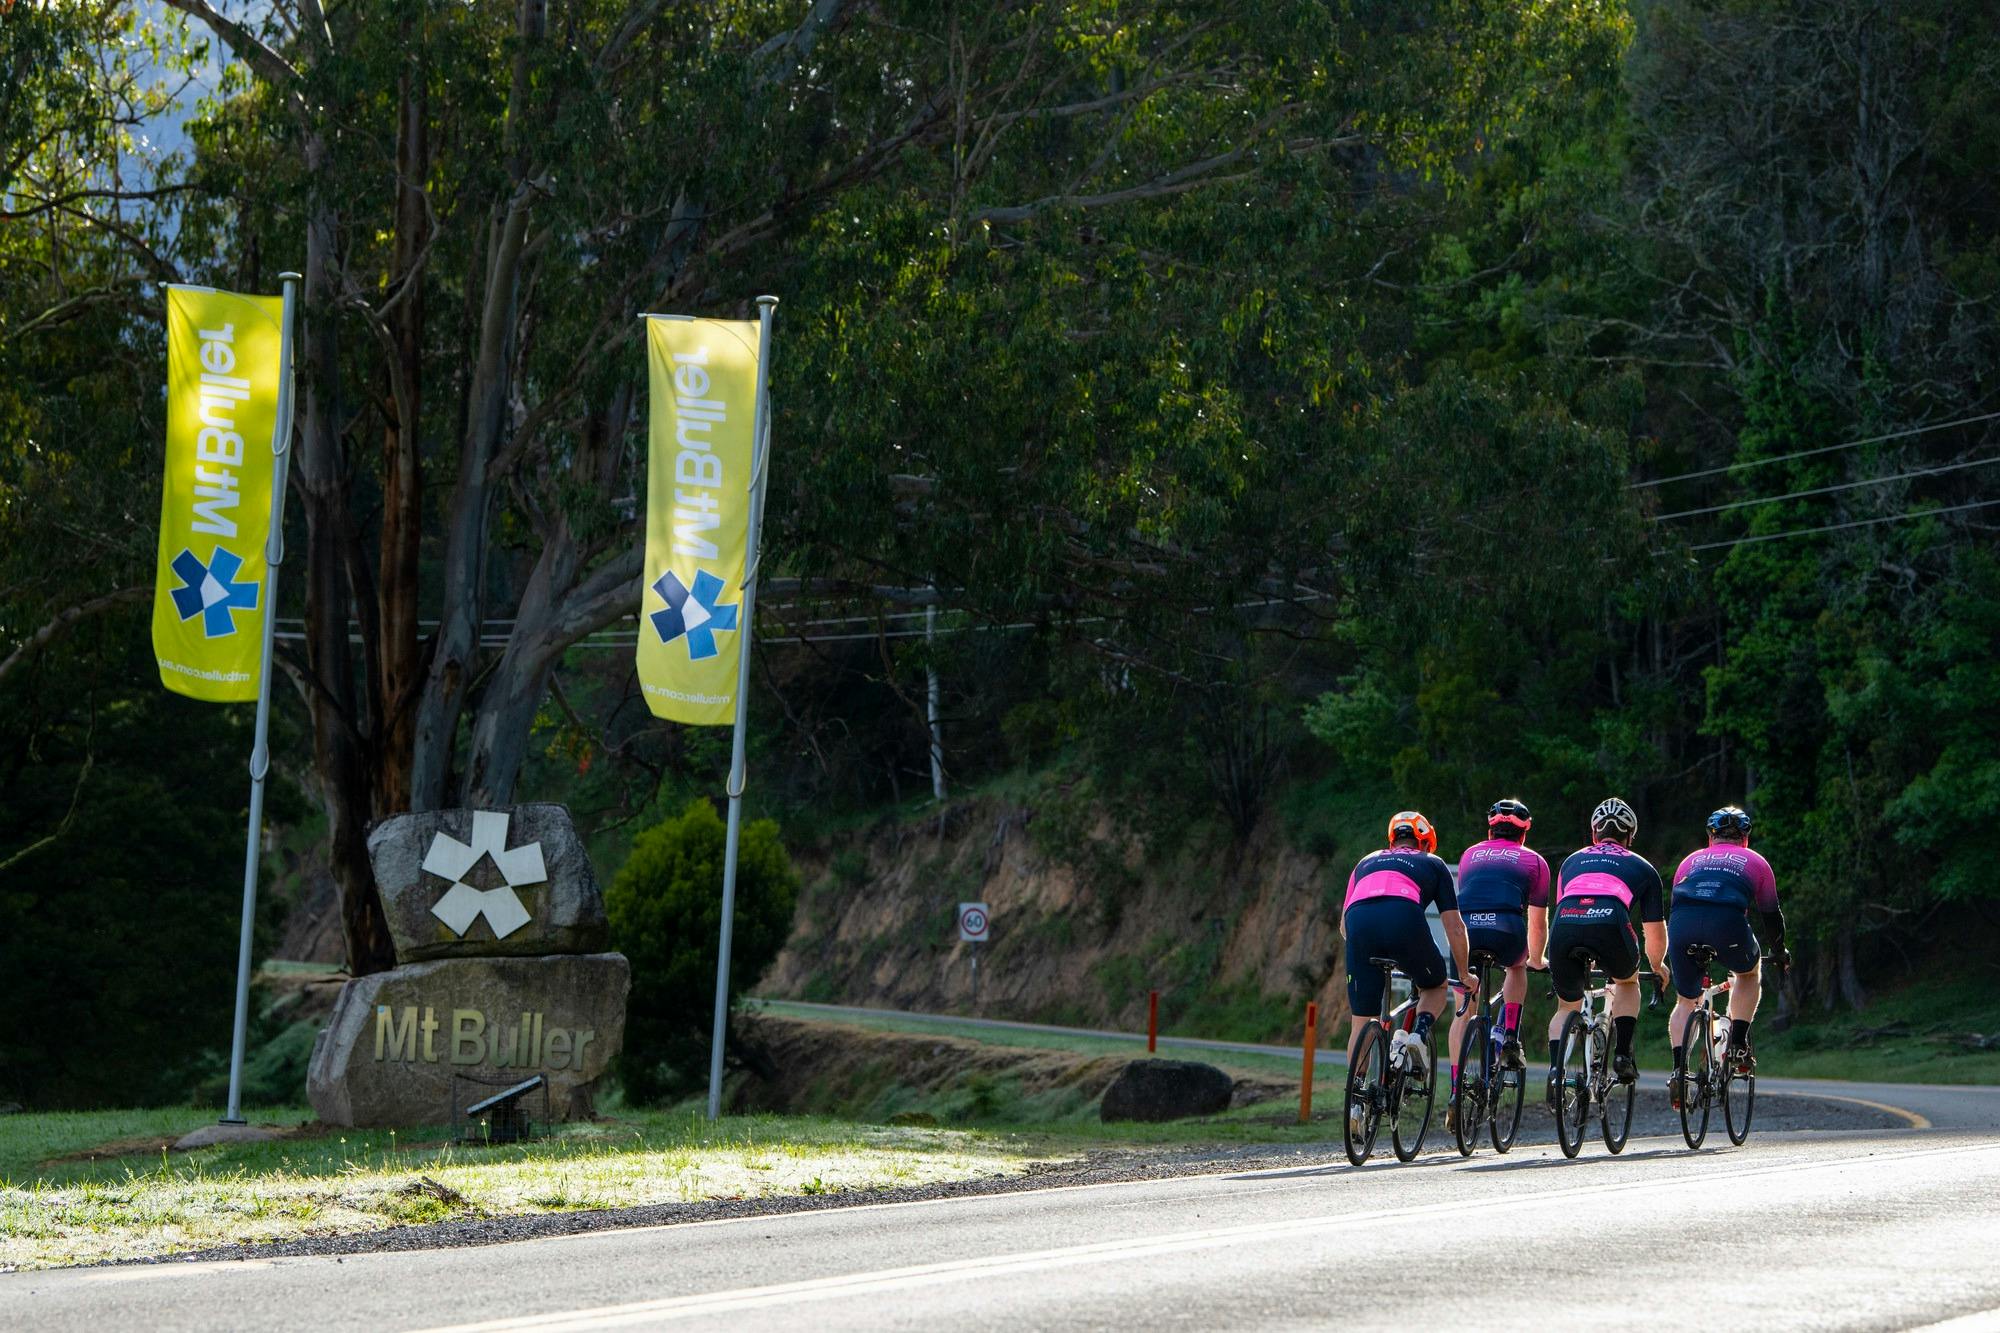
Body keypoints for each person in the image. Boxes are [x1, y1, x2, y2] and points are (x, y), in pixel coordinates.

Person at [1534, 796, 1667, 1096]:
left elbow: (1565, 905)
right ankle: (1621, 1054)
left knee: (1566, 1006)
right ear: (1630, 836)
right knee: (1627, 982)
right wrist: (1658, 967)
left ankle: (1556, 1071)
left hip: (1565, 922)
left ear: (1594, 834)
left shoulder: (1570, 862)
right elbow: (1655, 933)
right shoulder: (1643, 868)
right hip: (1610, 921)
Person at [1341, 810, 1474, 1092]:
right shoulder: (1433, 863)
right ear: (1425, 843)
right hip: (1403, 917)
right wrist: (1463, 973)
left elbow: (1343, 927)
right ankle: (1416, 1036)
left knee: (1361, 1021)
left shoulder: (1364, 863)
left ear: (1392, 841)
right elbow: (1455, 927)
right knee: (1435, 987)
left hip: (1358, 923)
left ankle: (1355, 1100)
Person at [1666, 805, 1788, 1106]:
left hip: (1682, 926)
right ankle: (1737, 1042)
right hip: (1727, 925)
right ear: (1745, 838)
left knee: (1685, 1000)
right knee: (1748, 973)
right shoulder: (1756, 862)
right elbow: (1771, 916)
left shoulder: (1689, 861)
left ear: (1711, 836)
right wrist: (1779, 952)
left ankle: (1679, 1070)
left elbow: (1676, 903)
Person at [1447, 799, 1550, 1105]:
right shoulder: (1535, 861)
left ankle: (1455, 1089)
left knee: (1464, 1009)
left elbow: (1472, 897)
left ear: (1490, 831)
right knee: (1516, 968)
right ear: (1523, 834)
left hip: (1466, 932)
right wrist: (1536, 959)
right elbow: (1537, 923)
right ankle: (1509, 1037)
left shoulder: (1469, 855)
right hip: (1506, 927)